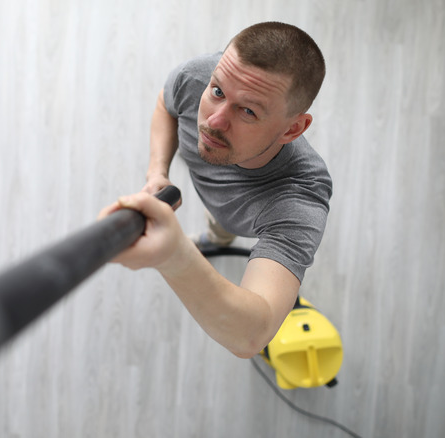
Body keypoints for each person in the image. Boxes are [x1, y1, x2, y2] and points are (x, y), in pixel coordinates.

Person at [99, 22, 332, 359]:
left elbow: (251, 335)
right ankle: (214, 238)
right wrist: (156, 174)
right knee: (216, 224)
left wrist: (173, 255)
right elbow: (165, 106)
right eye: (218, 92)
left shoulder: (299, 197)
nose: (214, 122)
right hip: (218, 202)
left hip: (243, 218)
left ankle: (217, 236)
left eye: (248, 111)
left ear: (293, 128)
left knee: (224, 223)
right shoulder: (198, 77)